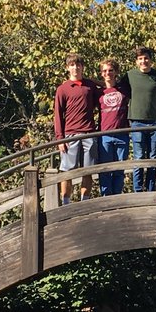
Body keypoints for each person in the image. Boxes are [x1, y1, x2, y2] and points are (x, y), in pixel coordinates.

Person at [53, 52, 99, 203]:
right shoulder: (63, 89)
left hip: (89, 133)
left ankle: (84, 201)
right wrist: (60, 139)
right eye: (72, 65)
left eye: (78, 65)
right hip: (70, 134)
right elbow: (58, 115)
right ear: (67, 68)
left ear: (82, 67)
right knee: (67, 170)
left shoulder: (90, 86)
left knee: (88, 170)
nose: (75, 68)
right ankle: (66, 203)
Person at [125, 46, 156, 192]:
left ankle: (150, 190)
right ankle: (138, 191)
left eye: (146, 58)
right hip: (137, 121)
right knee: (139, 157)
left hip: (155, 121)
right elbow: (117, 89)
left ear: (150, 60)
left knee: (153, 157)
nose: (143, 61)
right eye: (140, 59)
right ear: (136, 61)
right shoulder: (130, 75)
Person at [97, 58, 130, 197]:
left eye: (110, 70)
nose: (108, 73)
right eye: (104, 71)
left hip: (122, 134)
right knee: (105, 169)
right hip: (104, 135)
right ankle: (106, 198)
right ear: (101, 73)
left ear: (116, 72)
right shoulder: (98, 92)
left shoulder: (125, 89)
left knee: (119, 169)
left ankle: (117, 197)